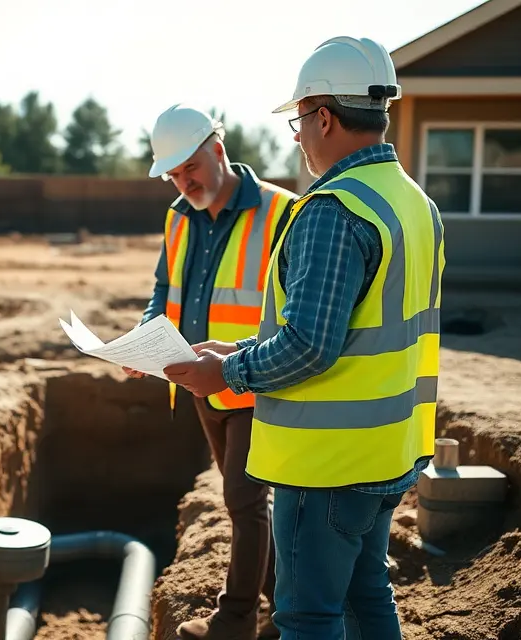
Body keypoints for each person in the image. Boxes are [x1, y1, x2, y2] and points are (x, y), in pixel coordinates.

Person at [162, 36, 445, 640]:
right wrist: (234, 351)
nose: (296, 137)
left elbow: (312, 346)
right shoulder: (414, 204)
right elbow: (356, 329)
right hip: (388, 449)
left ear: (324, 117)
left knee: (308, 616)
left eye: (298, 121)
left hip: (327, 465)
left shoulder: (331, 209)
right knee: (368, 596)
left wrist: (228, 373)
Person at [129, 103, 296, 640]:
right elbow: (165, 288)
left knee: (245, 503)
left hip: (253, 377)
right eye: (173, 174)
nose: (183, 182)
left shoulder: (281, 211)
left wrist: (249, 362)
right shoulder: (178, 216)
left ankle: (235, 621)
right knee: (242, 499)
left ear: (217, 150)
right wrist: (144, 336)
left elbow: (301, 308)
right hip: (199, 383)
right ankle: (289, 610)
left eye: (190, 168)